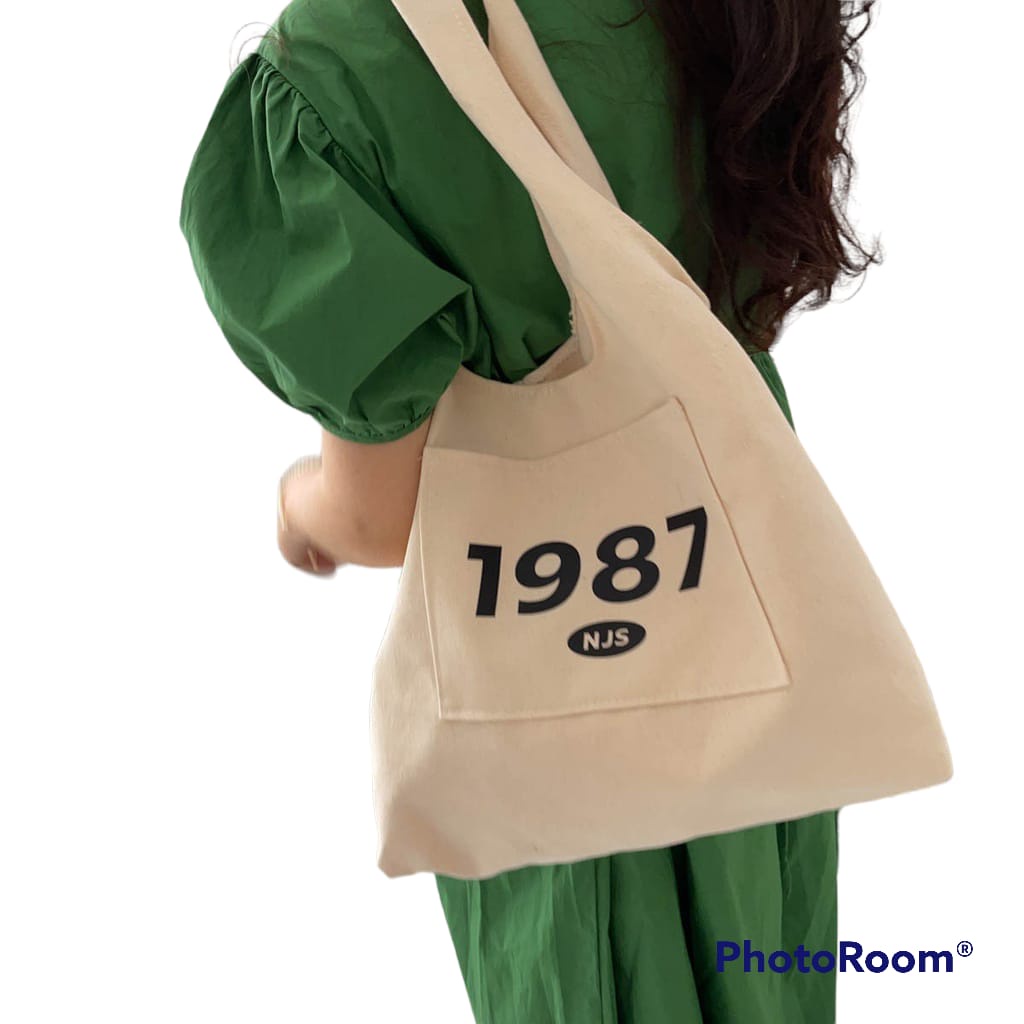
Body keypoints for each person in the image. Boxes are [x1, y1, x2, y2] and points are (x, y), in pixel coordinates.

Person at [180, 1, 881, 1019]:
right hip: (750, 593)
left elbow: (374, 517)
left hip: (559, 653)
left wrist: (298, 508)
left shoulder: (354, 53)